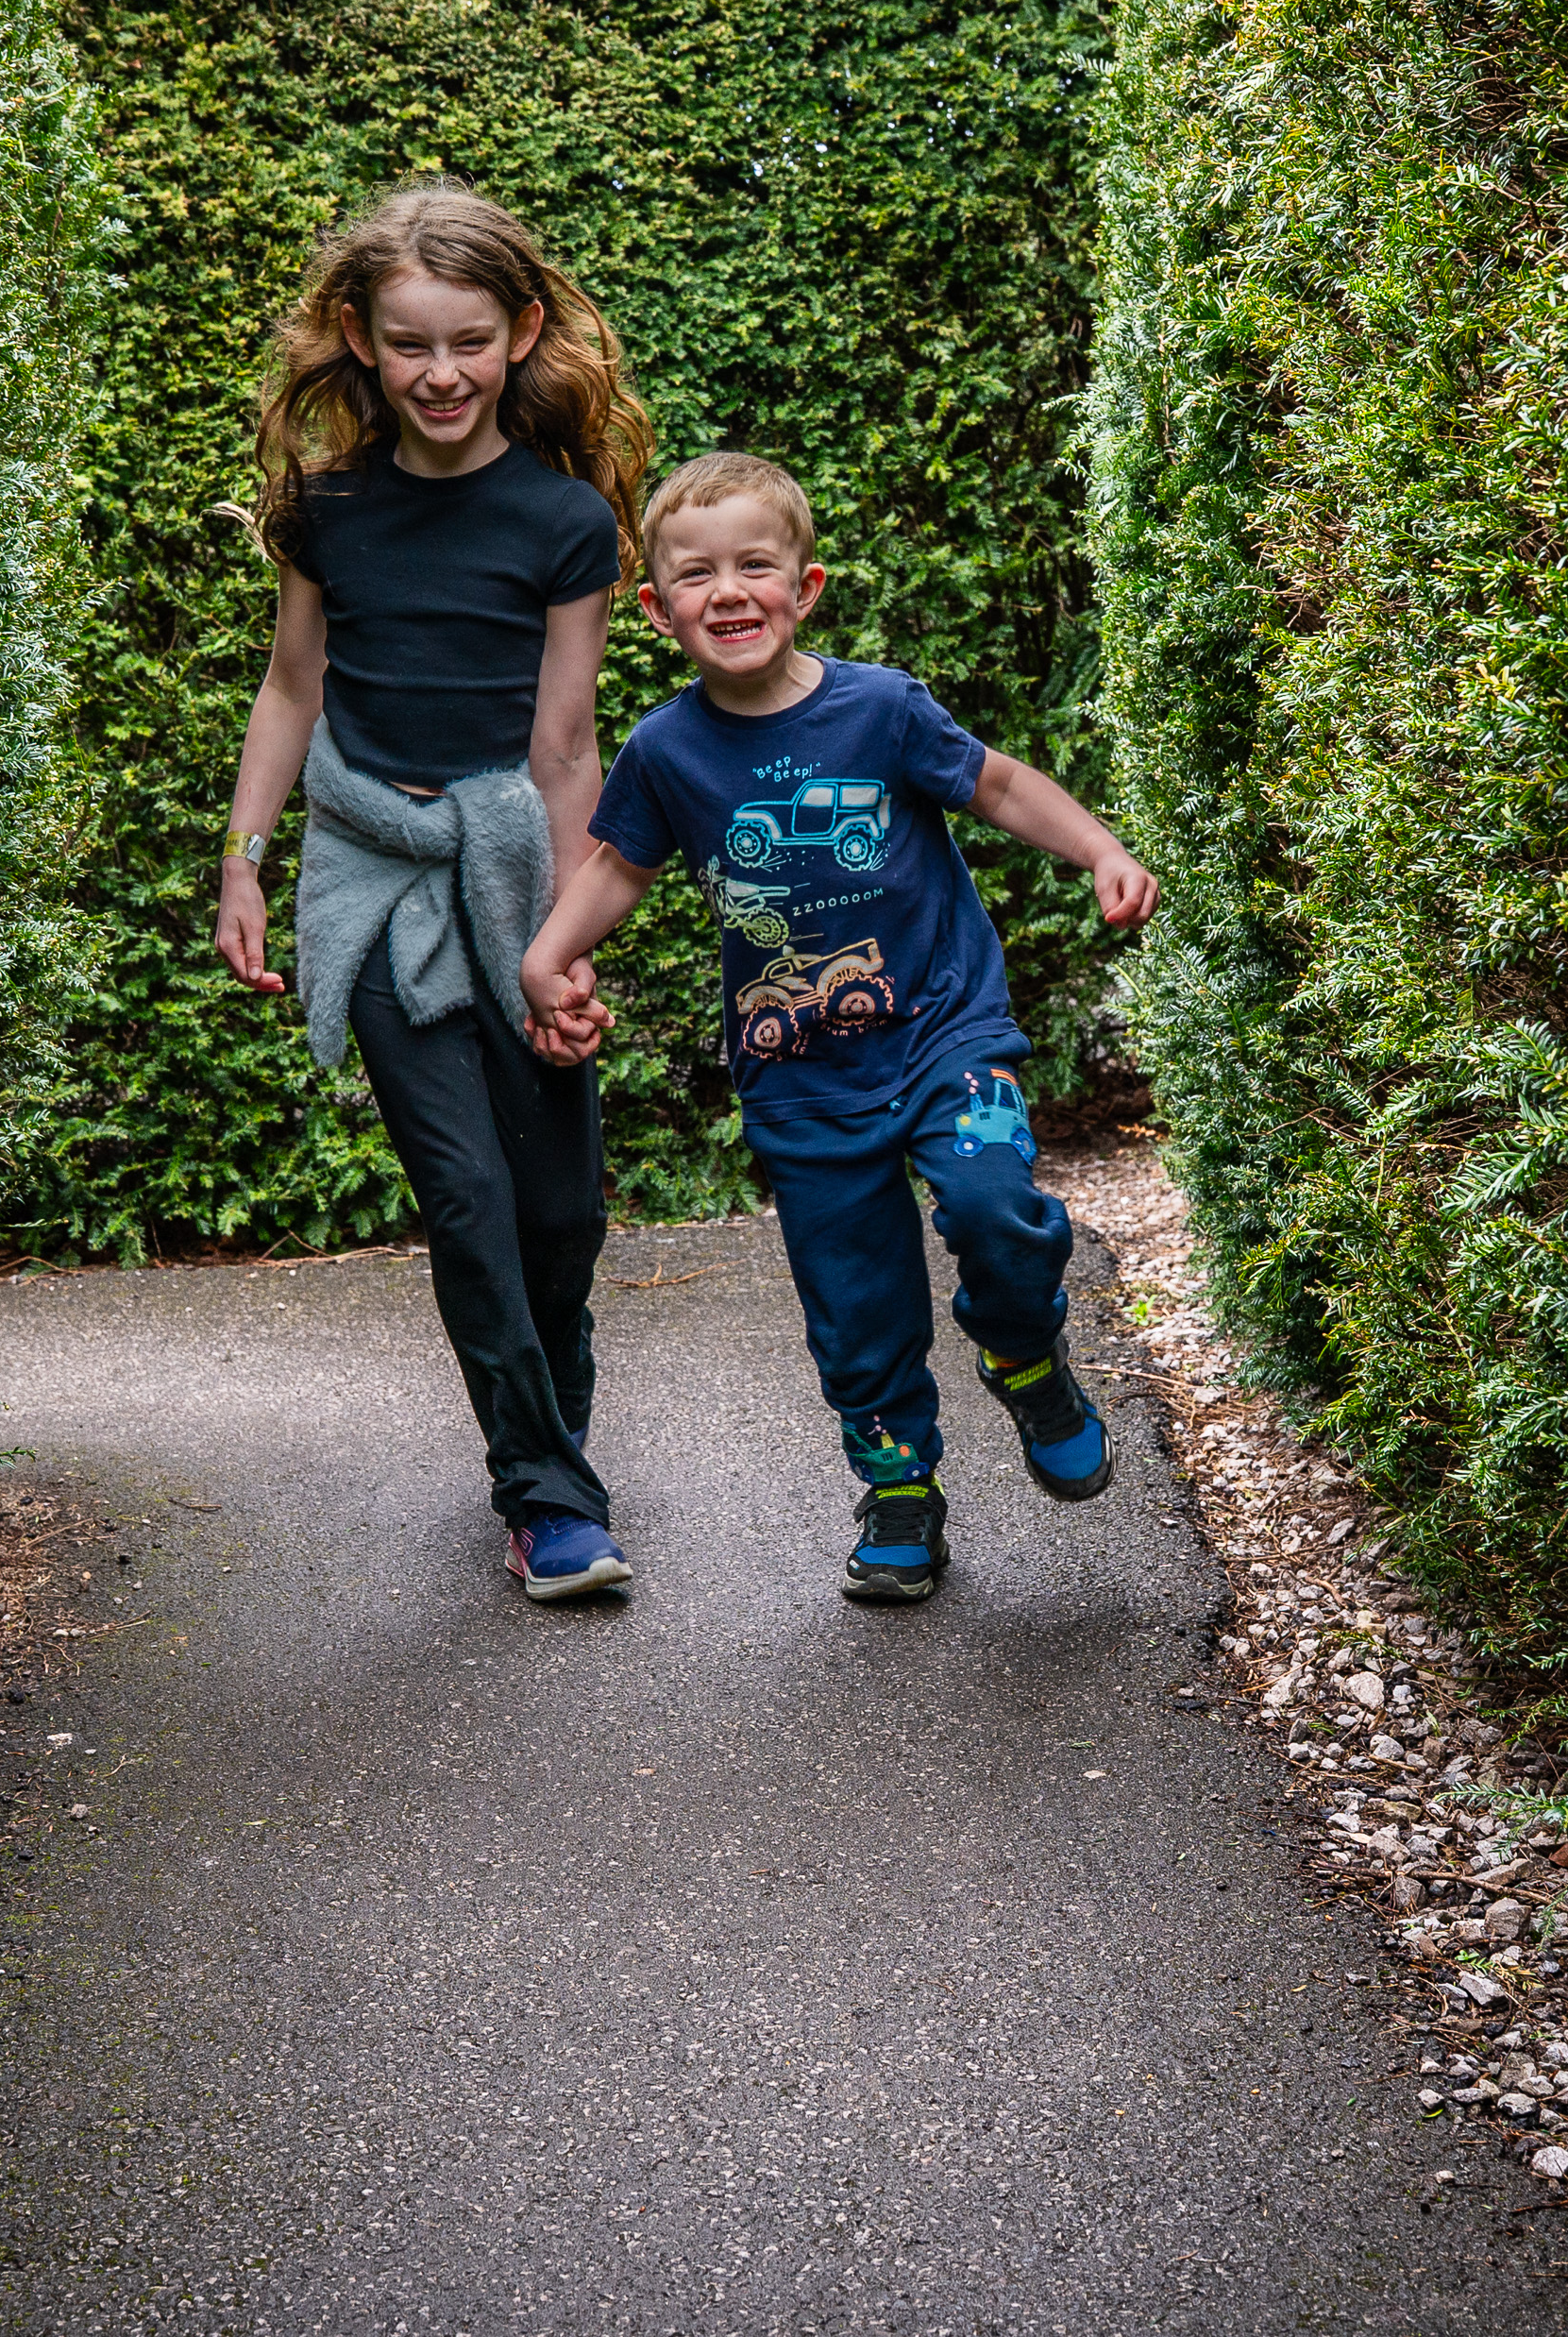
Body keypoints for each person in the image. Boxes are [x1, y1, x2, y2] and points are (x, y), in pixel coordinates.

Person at [517, 452, 1160, 1601]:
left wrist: (1100, 848)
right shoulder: (666, 751)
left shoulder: (880, 709)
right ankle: (900, 1490)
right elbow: (619, 865)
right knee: (855, 1306)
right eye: (695, 576)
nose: (727, 591)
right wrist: (546, 956)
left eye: (753, 566)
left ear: (804, 588)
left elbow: (998, 787)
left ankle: (1025, 1353)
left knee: (992, 1205)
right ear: (657, 611)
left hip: (942, 1033)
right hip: (799, 1074)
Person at [211, 185, 653, 1603]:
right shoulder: (326, 510)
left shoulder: (564, 521)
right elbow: (292, 688)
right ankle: (547, 1498)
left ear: (520, 332)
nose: (442, 372)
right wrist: (245, 858)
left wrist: (569, 942)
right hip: (375, 885)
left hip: (516, 880)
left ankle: (547, 1430)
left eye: (469, 341)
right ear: (361, 339)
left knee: (559, 1218)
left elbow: (566, 746)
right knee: (465, 1199)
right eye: (410, 343)